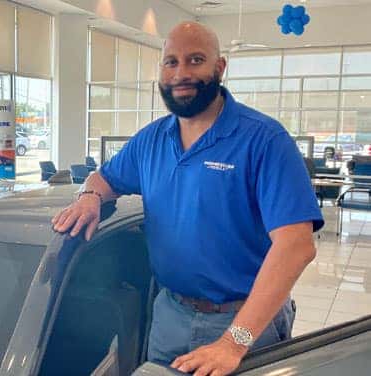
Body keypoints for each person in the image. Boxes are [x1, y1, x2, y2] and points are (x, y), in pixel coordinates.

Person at [52, 22, 323, 376]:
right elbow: (103, 177)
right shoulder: (150, 140)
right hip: (170, 315)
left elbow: (296, 246)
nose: (182, 73)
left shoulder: (265, 140)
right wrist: (89, 196)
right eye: (171, 62)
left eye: (195, 60)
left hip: (245, 323)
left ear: (219, 68)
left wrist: (233, 342)